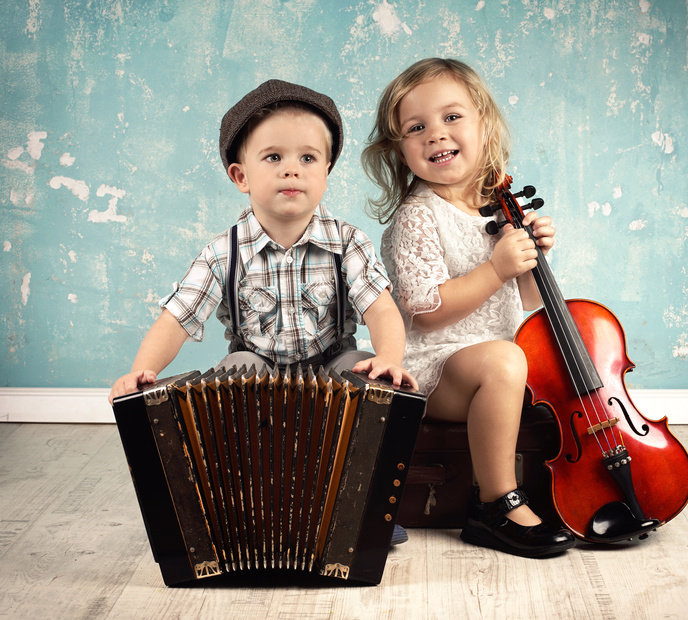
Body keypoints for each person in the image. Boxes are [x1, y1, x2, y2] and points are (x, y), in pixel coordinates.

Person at [362, 58, 576, 558]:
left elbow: (525, 303)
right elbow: (427, 309)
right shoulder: (416, 218)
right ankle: (495, 503)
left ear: (484, 125)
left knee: (532, 357)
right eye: (417, 128)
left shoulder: (497, 211)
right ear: (400, 150)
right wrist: (496, 268)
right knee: (504, 361)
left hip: (496, 366)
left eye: (452, 118)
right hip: (435, 369)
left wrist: (531, 263)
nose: (436, 134)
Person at [109, 78, 416, 401]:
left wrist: (388, 359)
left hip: (330, 369)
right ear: (241, 177)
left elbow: (381, 310)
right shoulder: (222, 253)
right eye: (273, 157)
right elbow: (176, 320)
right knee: (236, 366)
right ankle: (247, 450)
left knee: (360, 367)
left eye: (307, 159)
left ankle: (352, 450)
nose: (291, 170)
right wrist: (141, 370)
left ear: (326, 173)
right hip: (259, 378)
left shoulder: (348, 242)